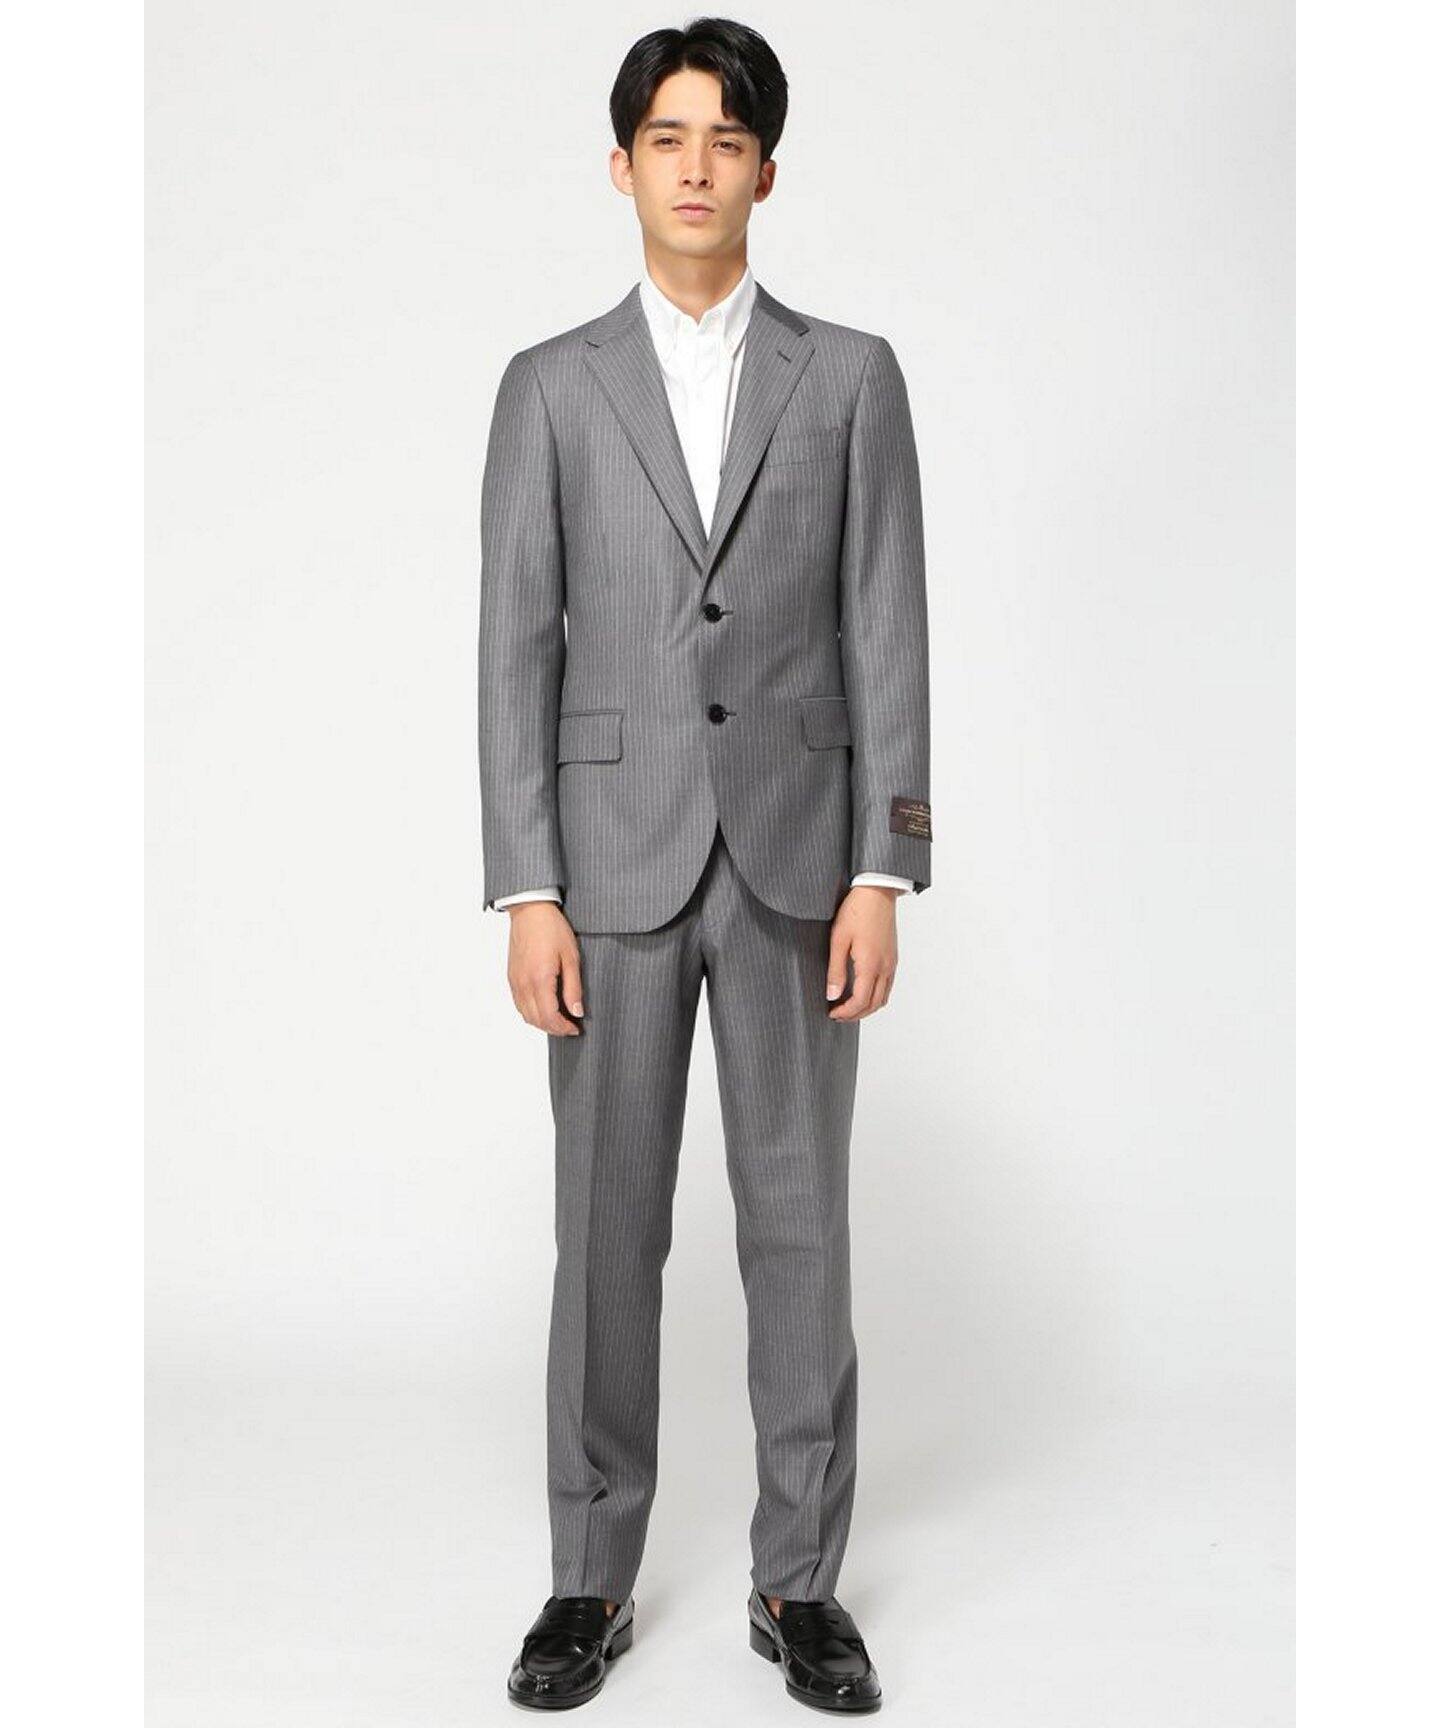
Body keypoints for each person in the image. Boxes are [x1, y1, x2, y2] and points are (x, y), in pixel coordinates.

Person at [478, 16, 930, 1714]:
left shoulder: (853, 377)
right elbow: (513, 648)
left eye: (724, 140)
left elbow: (887, 627)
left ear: (765, 171)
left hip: (802, 862)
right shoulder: (548, 387)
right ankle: (588, 1576)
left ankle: (798, 1582)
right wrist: (527, 888)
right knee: (606, 1234)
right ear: (621, 167)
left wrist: (886, 867)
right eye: (666, 138)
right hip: (608, 867)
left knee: (799, 1228)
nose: (694, 166)